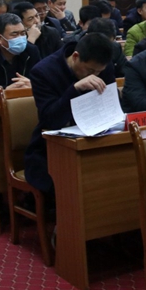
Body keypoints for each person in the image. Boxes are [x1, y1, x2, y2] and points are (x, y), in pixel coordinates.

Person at [25, 33, 117, 194]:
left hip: (96, 139)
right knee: (71, 183)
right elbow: (50, 120)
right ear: (75, 57)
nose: (94, 76)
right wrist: (75, 89)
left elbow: (111, 106)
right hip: (51, 148)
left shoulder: (103, 68)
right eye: (90, 70)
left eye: (98, 72)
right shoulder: (43, 71)